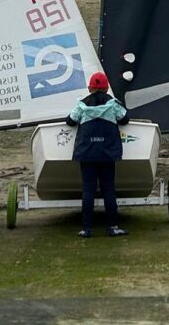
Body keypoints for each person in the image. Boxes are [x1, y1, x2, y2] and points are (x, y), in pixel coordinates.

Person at [66, 71, 131, 238]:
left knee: (88, 190)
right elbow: (125, 119)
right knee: (109, 190)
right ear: (107, 87)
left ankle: (86, 229)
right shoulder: (113, 104)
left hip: (87, 153)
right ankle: (112, 227)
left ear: (89, 88)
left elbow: (70, 121)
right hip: (107, 153)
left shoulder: (81, 105)